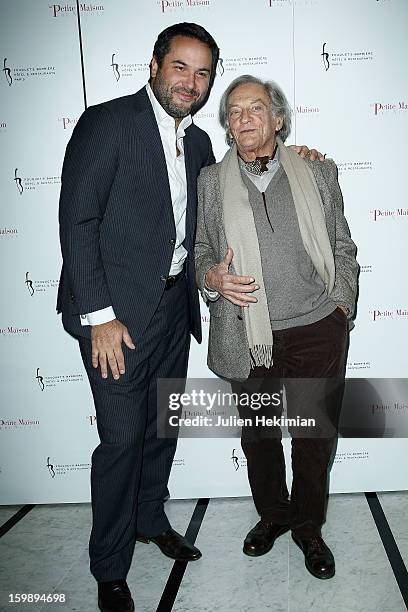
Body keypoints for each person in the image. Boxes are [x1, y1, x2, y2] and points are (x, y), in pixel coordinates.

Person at [58, 22, 321, 609]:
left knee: (161, 429)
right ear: (154, 65)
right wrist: (99, 316)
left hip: (175, 310)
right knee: (123, 440)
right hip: (115, 320)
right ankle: (109, 566)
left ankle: (151, 520)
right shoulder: (108, 123)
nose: (191, 82)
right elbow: (77, 223)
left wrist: (299, 152)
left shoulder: (201, 144)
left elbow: (246, 182)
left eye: (203, 73)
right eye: (181, 67)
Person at [195, 75, 359, 581]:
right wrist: (213, 277)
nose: (245, 118)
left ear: (278, 118)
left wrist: (341, 309)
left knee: (313, 435)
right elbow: (201, 252)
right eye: (235, 110)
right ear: (227, 124)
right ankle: (274, 514)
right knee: (260, 436)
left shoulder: (318, 170)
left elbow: (342, 248)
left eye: (256, 108)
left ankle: (309, 527)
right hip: (248, 335)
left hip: (316, 329)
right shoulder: (209, 182)